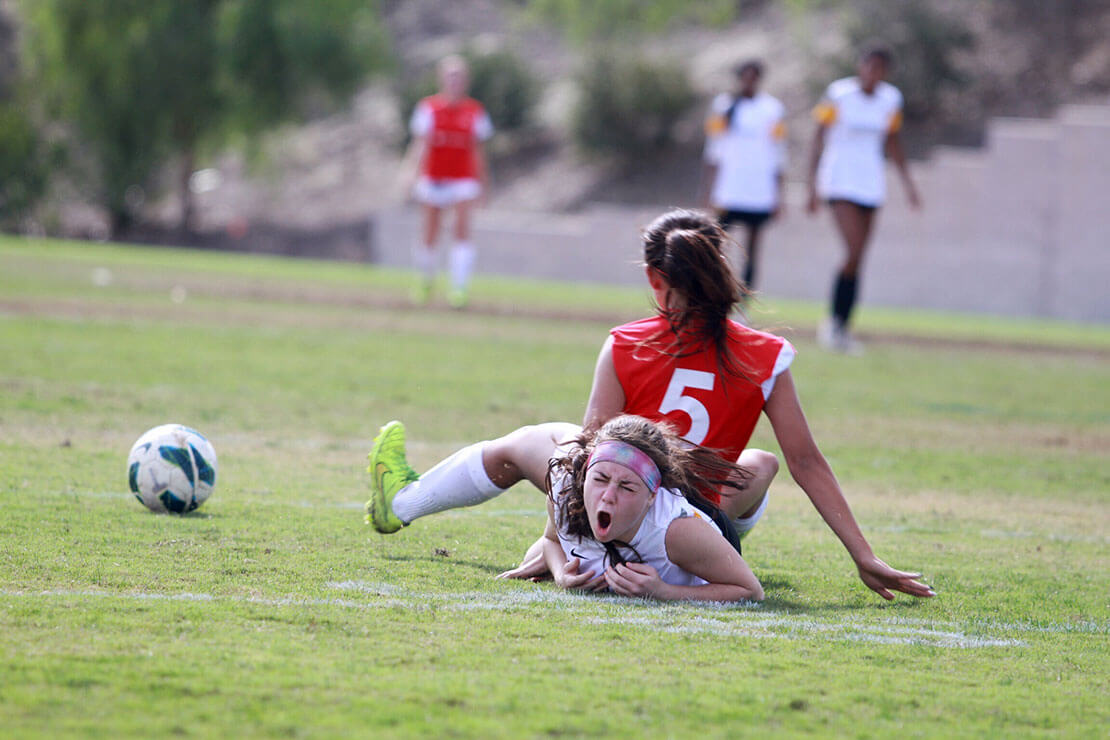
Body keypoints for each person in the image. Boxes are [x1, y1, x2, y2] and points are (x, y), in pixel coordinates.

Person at [367, 208, 934, 602]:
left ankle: (403, 502)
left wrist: (558, 541)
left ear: (656, 280)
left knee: (537, 439)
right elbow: (809, 463)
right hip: (693, 523)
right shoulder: (766, 355)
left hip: (626, 511)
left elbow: (587, 455)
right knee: (762, 464)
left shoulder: (628, 342)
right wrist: (864, 555)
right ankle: (715, 543)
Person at [368, 415, 764, 602]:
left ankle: (402, 500)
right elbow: (549, 541)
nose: (607, 496)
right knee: (535, 444)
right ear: (585, 473)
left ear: (650, 495)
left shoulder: (676, 531)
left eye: (626, 487)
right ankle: (401, 500)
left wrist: (665, 590)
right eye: (600, 480)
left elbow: (750, 590)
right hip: (585, 457)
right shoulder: (568, 485)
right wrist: (559, 572)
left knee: (762, 465)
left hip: (707, 533)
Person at [806, 42, 921, 354]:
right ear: (861, 66)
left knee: (859, 259)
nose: (873, 73)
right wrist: (811, 184)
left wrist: (908, 184)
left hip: (870, 183)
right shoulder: (838, 94)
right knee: (853, 250)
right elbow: (818, 136)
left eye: (880, 68)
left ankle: (842, 327)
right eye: (869, 65)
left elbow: (893, 143)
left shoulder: (890, 99)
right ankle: (833, 324)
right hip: (840, 181)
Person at [399, 54, 493, 308]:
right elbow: (420, 144)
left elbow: (479, 151)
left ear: (466, 81)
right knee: (429, 233)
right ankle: (425, 281)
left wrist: (484, 185)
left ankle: (459, 288)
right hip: (434, 177)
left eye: (459, 76)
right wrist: (410, 173)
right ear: (441, 78)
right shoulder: (428, 108)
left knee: (462, 232)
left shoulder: (475, 111)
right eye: (450, 76)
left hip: (463, 179)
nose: (455, 81)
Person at [699, 59, 786, 295]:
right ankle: (716, 292)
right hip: (729, 189)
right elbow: (714, 150)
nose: (749, 82)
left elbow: (779, 153)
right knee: (716, 243)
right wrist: (709, 189)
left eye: (753, 77)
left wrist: (779, 195)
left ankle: (745, 300)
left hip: (758, 190)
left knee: (752, 249)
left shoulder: (772, 109)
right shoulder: (724, 106)